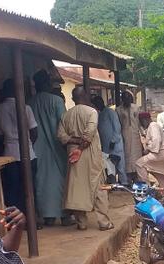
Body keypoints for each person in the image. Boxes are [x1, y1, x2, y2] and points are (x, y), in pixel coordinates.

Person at [59, 86, 115, 231]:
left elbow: (61, 136)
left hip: (73, 155)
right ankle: (103, 222)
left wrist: (75, 144)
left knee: (77, 188)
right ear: (86, 96)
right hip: (89, 153)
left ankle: (81, 223)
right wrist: (81, 147)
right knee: (99, 187)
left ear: (73, 99)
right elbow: (89, 133)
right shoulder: (92, 112)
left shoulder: (66, 115)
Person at [0, 78, 38, 218]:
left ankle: (14, 220)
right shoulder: (26, 107)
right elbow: (34, 132)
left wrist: (9, 140)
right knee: (29, 189)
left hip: (9, 154)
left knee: (12, 190)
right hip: (28, 153)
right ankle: (31, 219)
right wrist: (28, 144)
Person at [29, 70, 69, 226]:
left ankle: (48, 216)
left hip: (37, 149)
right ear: (46, 83)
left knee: (41, 182)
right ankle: (64, 214)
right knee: (60, 181)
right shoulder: (57, 101)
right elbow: (65, 123)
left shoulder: (29, 102)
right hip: (57, 147)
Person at [136, 111, 164, 204]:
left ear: (145, 120)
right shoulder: (152, 126)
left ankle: (148, 193)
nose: (141, 124)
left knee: (139, 164)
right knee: (159, 175)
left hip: (159, 153)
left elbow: (156, 140)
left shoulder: (153, 125)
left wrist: (148, 149)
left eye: (141, 121)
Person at [94, 95, 126, 185]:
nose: (97, 105)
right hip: (106, 145)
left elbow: (117, 127)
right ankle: (113, 184)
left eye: (98, 103)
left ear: (101, 102)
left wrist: (113, 141)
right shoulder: (99, 114)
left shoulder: (110, 112)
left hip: (115, 144)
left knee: (120, 165)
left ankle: (124, 183)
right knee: (109, 165)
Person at [117, 91, 143, 183]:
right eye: (125, 98)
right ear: (122, 99)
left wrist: (143, 133)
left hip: (135, 134)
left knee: (136, 155)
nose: (127, 100)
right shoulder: (119, 110)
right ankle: (128, 177)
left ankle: (137, 176)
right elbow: (119, 124)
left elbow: (140, 123)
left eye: (128, 98)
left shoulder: (136, 108)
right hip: (125, 135)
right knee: (127, 155)